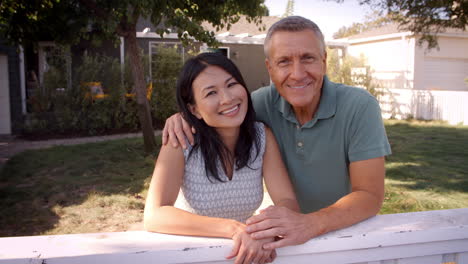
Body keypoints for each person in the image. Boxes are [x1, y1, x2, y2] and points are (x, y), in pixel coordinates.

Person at [162, 16, 392, 251]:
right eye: (284, 62)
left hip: (344, 235)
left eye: (308, 58)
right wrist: (182, 118)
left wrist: (312, 223)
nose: (298, 73)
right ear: (269, 68)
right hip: (286, 243)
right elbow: (222, 107)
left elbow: (369, 195)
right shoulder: (259, 104)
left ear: (324, 61)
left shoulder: (360, 106)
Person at [144, 52, 300, 264]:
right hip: (191, 255)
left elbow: (287, 200)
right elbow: (155, 214)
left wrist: (266, 230)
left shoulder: (262, 136)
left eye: (231, 84)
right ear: (194, 109)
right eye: (210, 93)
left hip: (246, 252)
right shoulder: (181, 141)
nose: (227, 98)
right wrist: (234, 228)